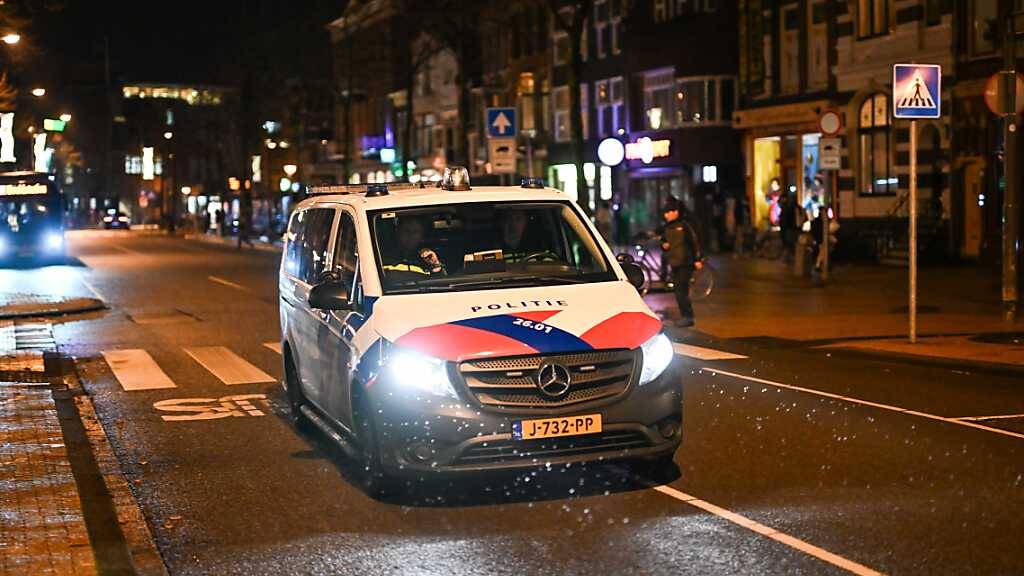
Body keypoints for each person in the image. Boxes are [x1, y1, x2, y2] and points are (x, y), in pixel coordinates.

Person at [661, 197, 703, 328]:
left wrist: (698, 259)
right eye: (666, 212)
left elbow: (694, 242)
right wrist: (664, 245)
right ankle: (686, 316)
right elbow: (663, 241)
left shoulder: (684, 225)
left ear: (676, 212)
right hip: (674, 263)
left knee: (681, 291)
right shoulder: (667, 227)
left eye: (670, 212)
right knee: (678, 291)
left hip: (686, 263)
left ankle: (688, 317)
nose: (667, 215)